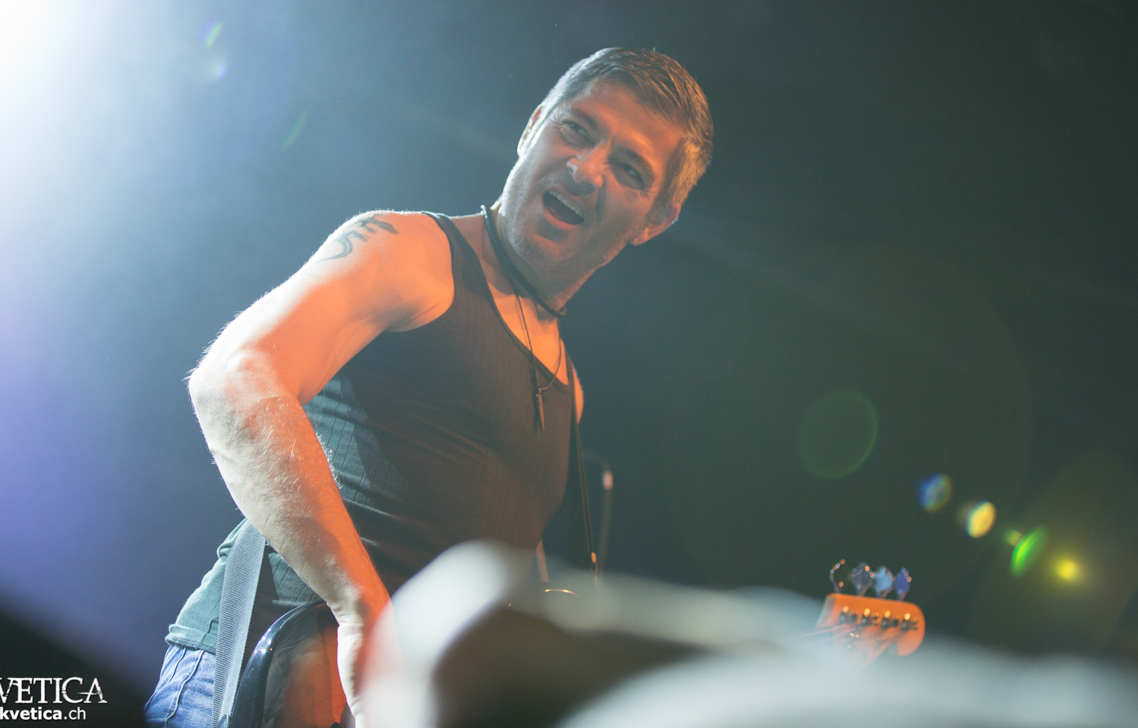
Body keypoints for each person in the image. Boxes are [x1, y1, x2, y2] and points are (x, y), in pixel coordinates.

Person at [143, 48, 714, 727]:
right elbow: (233, 378)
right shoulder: (408, 251)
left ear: (655, 219)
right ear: (533, 126)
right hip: (258, 683)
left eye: (628, 169)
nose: (585, 169)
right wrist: (362, 610)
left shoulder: (569, 388)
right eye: (576, 129)